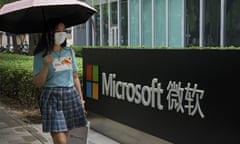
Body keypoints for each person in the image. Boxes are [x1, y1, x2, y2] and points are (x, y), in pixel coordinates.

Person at [33, 18, 87, 144]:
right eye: (58, 30)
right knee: (61, 140)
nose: (61, 34)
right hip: (52, 97)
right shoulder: (41, 55)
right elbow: (38, 83)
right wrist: (46, 65)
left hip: (70, 96)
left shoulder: (69, 52)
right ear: (50, 33)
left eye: (64, 30)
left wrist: (81, 99)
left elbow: (75, 77)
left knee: (69, 137)